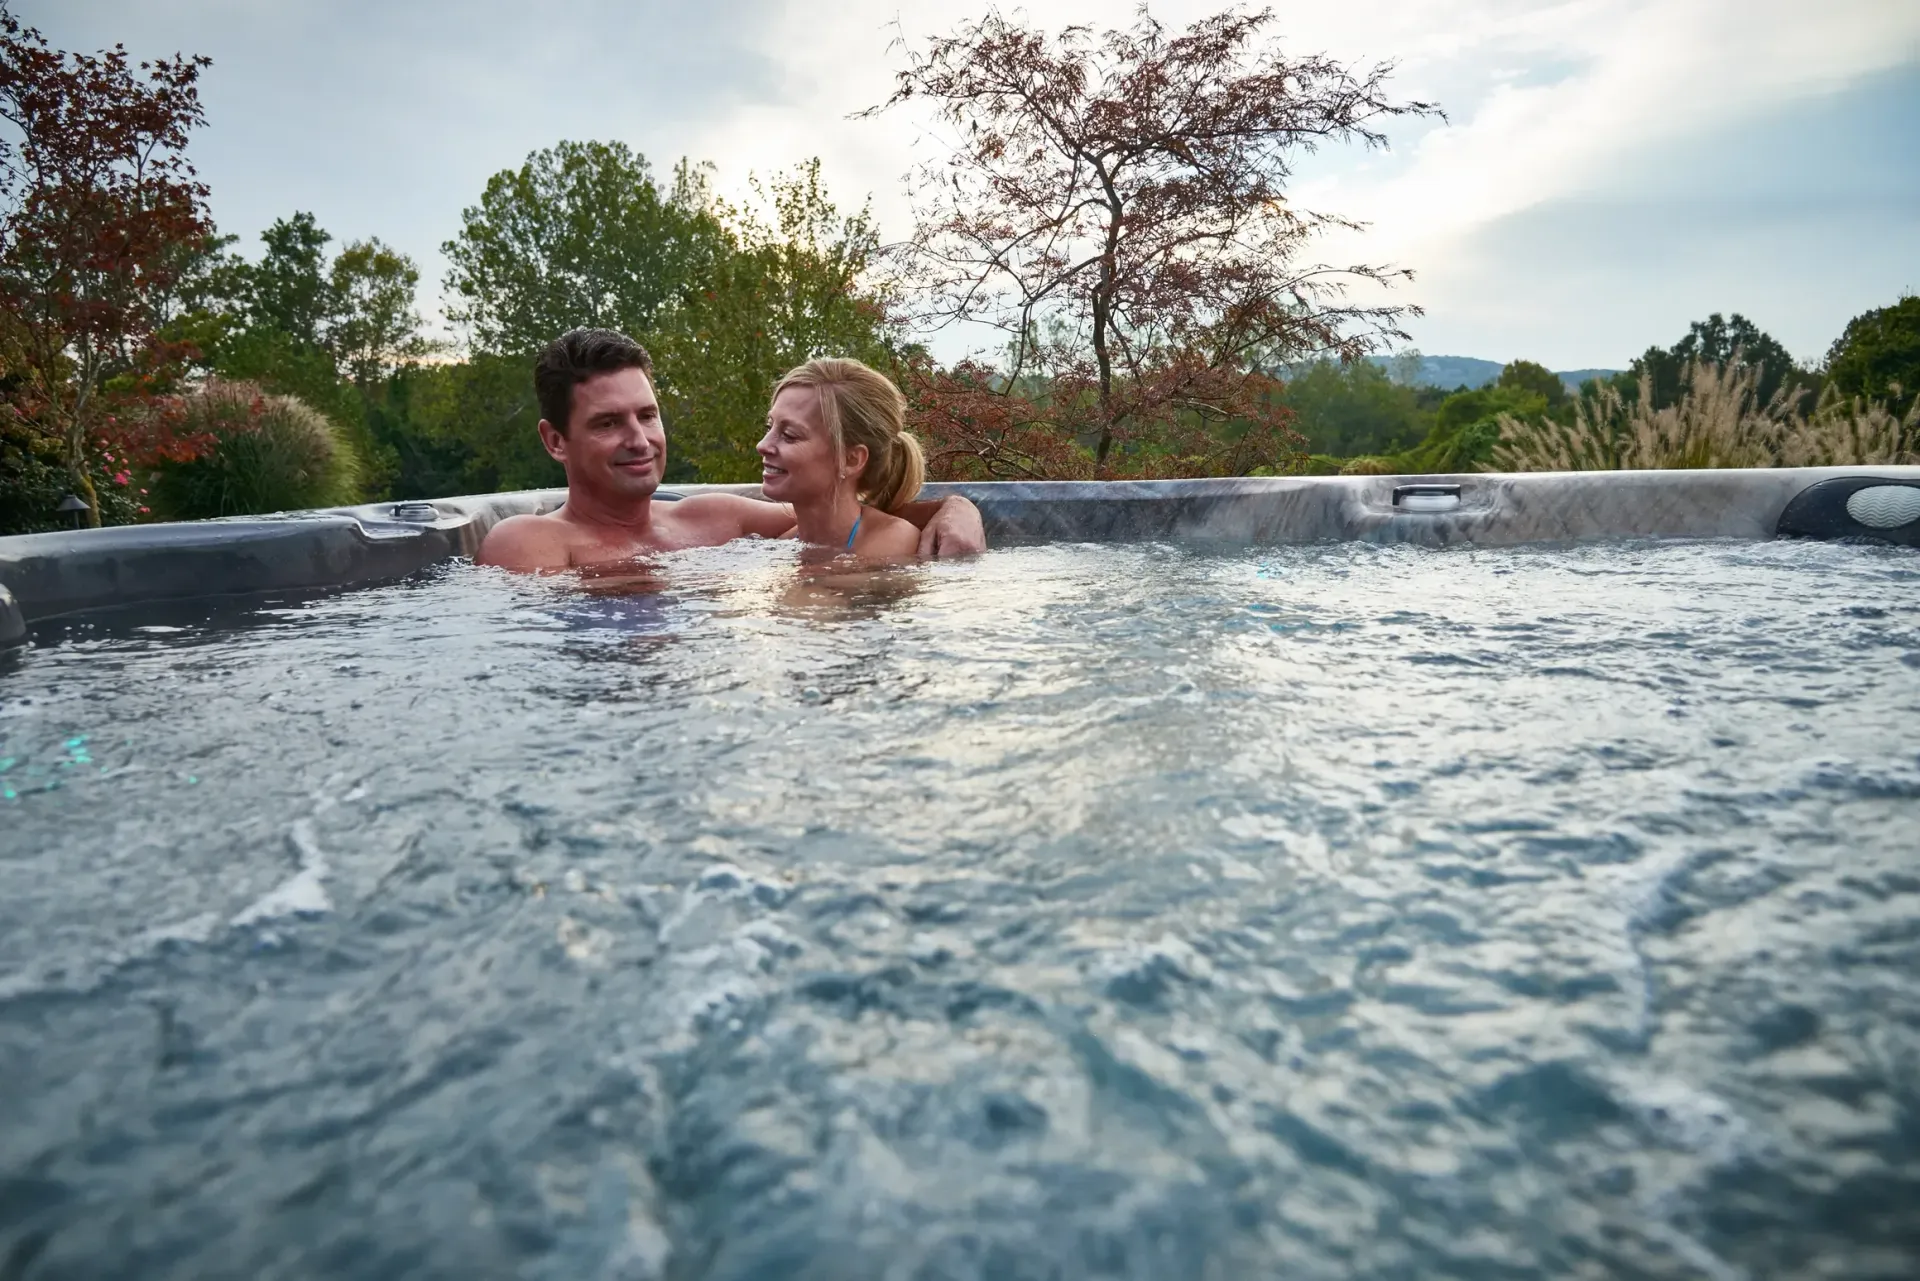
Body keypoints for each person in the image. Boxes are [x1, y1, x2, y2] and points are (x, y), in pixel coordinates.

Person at [476, 329, 983, 570]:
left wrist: (957, 507)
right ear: (555, 440)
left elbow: (839, 509)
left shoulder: (717, 520)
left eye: (647, 415)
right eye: (609, 423)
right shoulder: (528, 543)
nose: (639, 440)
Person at [757, 357, 925, 557]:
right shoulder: (785, 544)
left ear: (851, 460)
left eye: (790, 435)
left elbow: (818, 587)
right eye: (770, 426)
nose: (763, 445)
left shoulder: (895, 540)